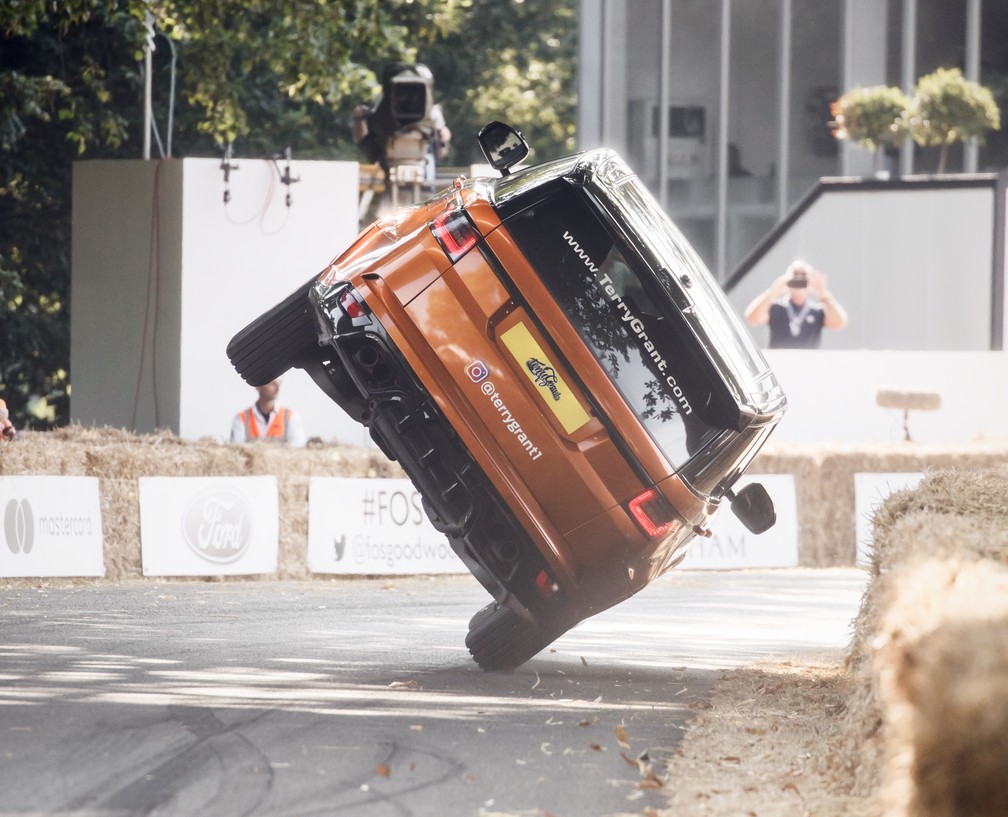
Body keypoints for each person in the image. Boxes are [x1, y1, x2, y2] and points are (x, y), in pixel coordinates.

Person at [744, 260, 848, 349]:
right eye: (795, 275)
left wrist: (823, 295)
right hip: (779, 363)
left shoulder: (817, 311)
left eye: (803, 276)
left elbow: (839, 323)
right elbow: (752, 319)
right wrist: (772, 293)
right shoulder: (776, 307)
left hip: (809, 364)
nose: (799, 278)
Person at [230, 379, 307, 447]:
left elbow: (297, 449)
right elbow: (236, 450)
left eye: (279, 384)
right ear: (258, 387)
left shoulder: (291, 417)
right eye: (272, 383)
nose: (278, 389)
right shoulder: (241, 418)